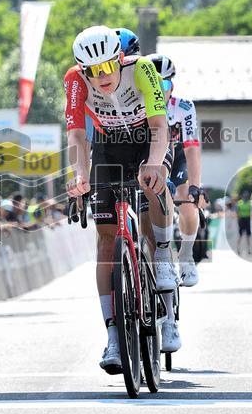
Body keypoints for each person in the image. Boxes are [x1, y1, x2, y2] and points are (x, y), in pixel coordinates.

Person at [64, 25, 174, 374]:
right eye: (93, 71)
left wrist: (155, 163)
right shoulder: (75, 80)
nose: (102, 77)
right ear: (83, 70)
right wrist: (80, 174)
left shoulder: (141, 69)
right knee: (106, 239)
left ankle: (163, 251)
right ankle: (113, 336)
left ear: (119, 59)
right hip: (108, 145)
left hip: (146, 138)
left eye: (108, 67)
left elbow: (160, 125)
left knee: (152, 185)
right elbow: (78, 136)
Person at [149, 53, 204, 289]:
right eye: (155, 85)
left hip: (178, 154)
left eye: (165, 84)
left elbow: (192, 149)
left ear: (173, 85)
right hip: (151, 156)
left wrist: (195, 186)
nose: (160, 90)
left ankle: (186, 256)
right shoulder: (138, 107)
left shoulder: (183, 107)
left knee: (187, 201)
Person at [235, 191, 252, 255]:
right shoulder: (239, 203)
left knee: (248, 236)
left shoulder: (250, 203)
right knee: (240, 235)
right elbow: (237, 212)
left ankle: (249, 249)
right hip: (242, 220)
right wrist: (238, 220)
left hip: (247, 220)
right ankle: (238, 248)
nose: (246, 197)